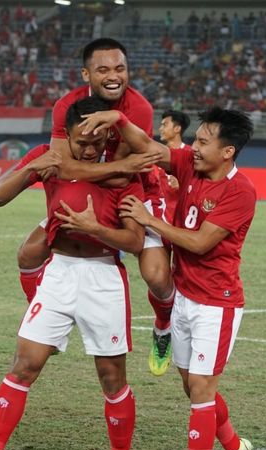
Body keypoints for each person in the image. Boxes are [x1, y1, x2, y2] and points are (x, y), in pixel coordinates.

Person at [80, 107, 256, 450]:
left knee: (202, 391)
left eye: (204, 142)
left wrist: (149, 221)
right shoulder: (191, 163)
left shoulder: (240, 191)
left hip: (215, 305)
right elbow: (149, 146)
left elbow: (200, 243)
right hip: (184, 297)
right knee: (192, 387)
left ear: (228, 151)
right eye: (196, 139)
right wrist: (119, 118)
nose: (194, 146)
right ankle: (236, 448)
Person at [0, 96, 145, 450]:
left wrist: (95, 228)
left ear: (108, 136)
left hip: (104, 278)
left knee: (111, 378)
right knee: (24, 366)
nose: (89, 149)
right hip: (59, 272)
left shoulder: (123, 174)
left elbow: (134, 242)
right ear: (65, 136)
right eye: (80, 141)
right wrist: (33, 169)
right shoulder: (48, 157)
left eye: (97, 141)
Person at [14, 37, 175, 377]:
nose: (113, 75)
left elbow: (125, 177)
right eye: (103, 69)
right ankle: (43, 315)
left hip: (138, 191)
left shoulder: (139, 109)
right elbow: (64, 165)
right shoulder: (67, 106)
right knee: (29, 254)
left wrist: (110, 149)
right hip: (90, 187)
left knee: (157, 276)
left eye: (120, 68)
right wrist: (89, 175)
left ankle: (163, 326)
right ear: (87, 74)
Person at [158, 109, 191, 224]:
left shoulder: (191, 155)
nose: (160, 129)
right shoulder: (157, 155)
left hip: (182, 219)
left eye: (165, 125)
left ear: (177, 129)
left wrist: (183, 185)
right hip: (159, 217)